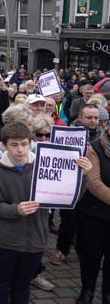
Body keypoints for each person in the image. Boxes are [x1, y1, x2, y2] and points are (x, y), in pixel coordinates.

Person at [0, 123, 91, 303]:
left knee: (23, 285)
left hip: (36, 238)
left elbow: (68, 198)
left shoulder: (43, 167)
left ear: (30, 143)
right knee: (1, 284)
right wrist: (16, 209)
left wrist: (82, 176)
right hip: (7, 241)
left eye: (24, 144)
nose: (20, 150)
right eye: (14, 145)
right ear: (4, 145)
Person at [76, 126, 110, 303]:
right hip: (94, 214)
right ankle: (87, 290)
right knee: (91, 256)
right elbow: (94, 182)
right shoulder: (94, 148)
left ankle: (107, 293)